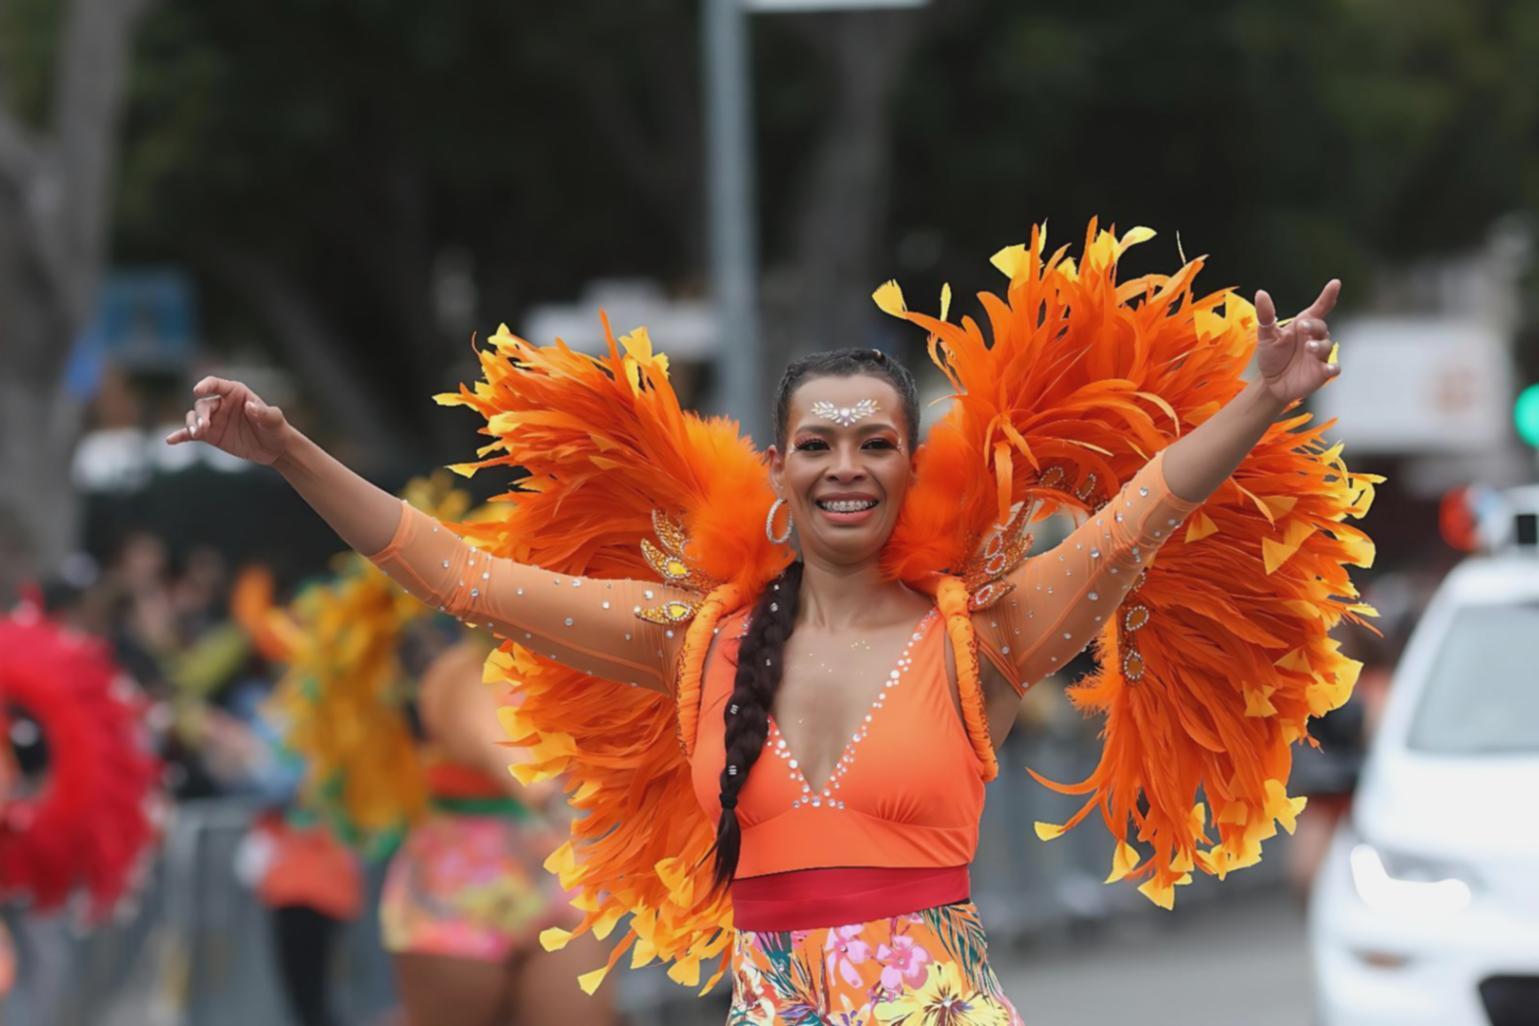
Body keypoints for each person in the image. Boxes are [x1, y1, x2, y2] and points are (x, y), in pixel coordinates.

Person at [169, 224, 1376, 1021]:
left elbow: (1135, 518)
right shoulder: (693, 640)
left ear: (912, 473)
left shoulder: (984, 633)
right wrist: (287, 453)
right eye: (817, 444)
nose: (845, 465)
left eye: (874, 443)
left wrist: (1260, 399)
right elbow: (463, 580)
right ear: (780, 476)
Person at [381, 632, 617, 1026]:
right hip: (458, 890)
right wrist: (550, 799)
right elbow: (494, 745)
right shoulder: (461, 671)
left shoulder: (571, 664)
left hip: (557, 880)